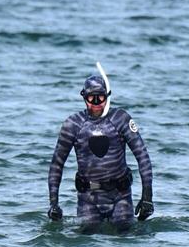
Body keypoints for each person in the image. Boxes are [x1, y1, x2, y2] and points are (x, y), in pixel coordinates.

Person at [47, 72, 153, 229]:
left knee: (126, 234)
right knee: (87, 238)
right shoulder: (73, 124)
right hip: (88, 199)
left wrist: (147, 198)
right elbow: (57, 164)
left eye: (100, 97)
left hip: (120, 196)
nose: (96, 102)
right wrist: (53, 204)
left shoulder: (121, 119)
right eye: (92, 98)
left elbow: (142, 156)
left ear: (107, 97)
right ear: (84, 97)